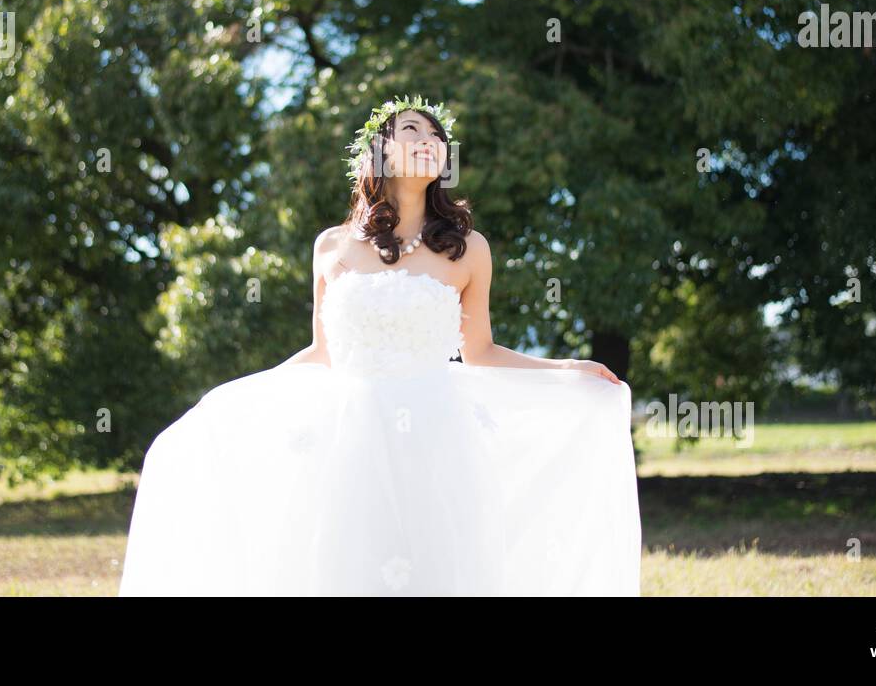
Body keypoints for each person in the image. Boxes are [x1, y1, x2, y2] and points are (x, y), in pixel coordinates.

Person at [118, 95, 642, 595]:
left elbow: (479, 351)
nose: (428, 140)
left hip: (437, 435)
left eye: (437, 136)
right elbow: (323, 352)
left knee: (434, 568)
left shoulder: (468, 250)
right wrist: (242, 395)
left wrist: (567, 366)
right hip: (348, 436)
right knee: (351, 566)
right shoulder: (332, 246)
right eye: (411, 130)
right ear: (379, 152)